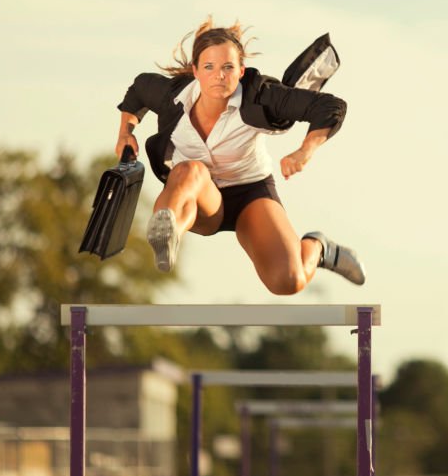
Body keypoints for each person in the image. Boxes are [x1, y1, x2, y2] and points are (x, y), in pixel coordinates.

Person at [115, 18, 365, 294]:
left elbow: (331, 107)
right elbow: (138, 91)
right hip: (199, 198)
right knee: (190, 171)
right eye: (209, 67)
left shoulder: (261, 95)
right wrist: (125, 133)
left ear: (241, 71)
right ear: (195, 71)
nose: (219, 76)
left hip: (250, 194)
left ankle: (318, 249)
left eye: (228, 68)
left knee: (288, 281)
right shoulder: (170, 95)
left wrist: (305, 151)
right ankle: (167, 231)